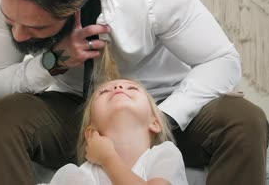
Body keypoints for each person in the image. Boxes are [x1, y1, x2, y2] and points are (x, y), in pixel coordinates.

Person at [0, 0, 269, 185]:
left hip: (162, 105)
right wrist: (54, 61)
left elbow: (222, 60)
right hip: (79, 114)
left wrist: (157, 120)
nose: (20, 36)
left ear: (77, 10)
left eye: (36, 27)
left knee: (244, 121)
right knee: (3, 118)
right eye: (10, 22)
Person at [43, 78, 188, 185]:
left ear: (155, 123)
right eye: (103, 92)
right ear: (90, 133)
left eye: (132, 88)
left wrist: (108, 158)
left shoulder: (165, 155)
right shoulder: (75, 176)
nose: (118, 87)